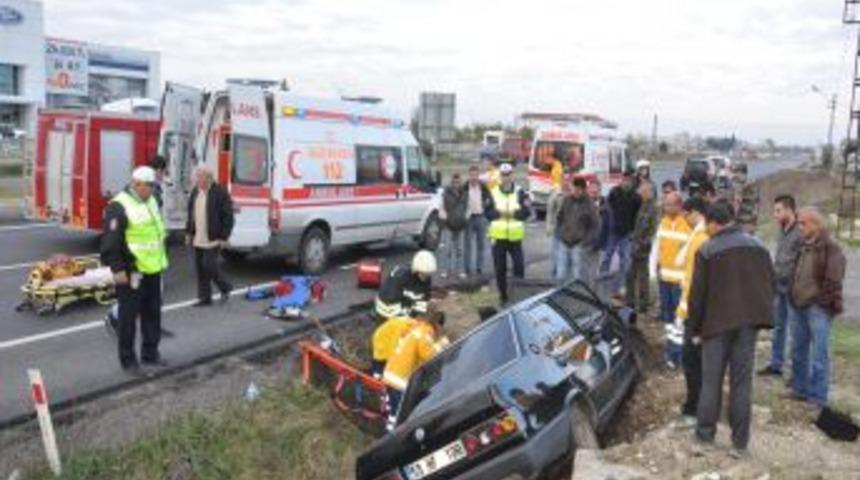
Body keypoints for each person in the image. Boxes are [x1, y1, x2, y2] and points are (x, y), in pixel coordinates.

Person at [688, 202, 774, 457]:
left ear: (715, 223)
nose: (706, 231)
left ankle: (705, 436)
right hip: (747, 324)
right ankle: (740, 444)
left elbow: (697, 295)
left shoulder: (707, 250)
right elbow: (770, 282)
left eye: (707, 226)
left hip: (715, 326)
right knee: (742, 383)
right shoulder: (758, 247)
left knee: (711, 382)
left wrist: (694, 329)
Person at [100, 166, 170, 374]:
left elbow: (156, 232)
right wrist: (118, 268)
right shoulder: (119, 206)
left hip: (153, 268)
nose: (153, 190)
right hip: (133, 271)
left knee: (153, 313)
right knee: (128, 318)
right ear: (137, 184)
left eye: (154, 186)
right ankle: (128, 361)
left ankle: (150, 353)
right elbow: (111, 241)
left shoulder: (152, 200)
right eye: (149, 186)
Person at [787, 207, 846, 407]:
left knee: (819, 355)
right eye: (799, 223)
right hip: (798, 306)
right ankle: (799, 389)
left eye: (803, 223)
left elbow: (834, 280)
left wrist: (820, 303)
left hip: (817, 309)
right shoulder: (803, 245)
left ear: (815, 223)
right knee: (798, 350)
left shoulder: (831, 247)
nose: (800, 227)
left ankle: (817, 397)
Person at [670, 196, 709, 425]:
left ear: (694, 212)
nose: (684, 219)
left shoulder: (701, 238)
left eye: (686, 215)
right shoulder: (698, 235)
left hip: (695, 313)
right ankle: (695, 405)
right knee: (694, 362)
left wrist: (684, 313)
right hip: (694, 310)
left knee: (693, 362)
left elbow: (695, 281)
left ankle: (695, 409)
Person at [758, 195, 804, 377]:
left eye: (778, 211)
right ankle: (776, 365)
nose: (775, 214)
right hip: (779, 287)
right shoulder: (782, 229)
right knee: (778, 327)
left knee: (795, 330)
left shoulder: (800, 232)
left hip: (793, 289)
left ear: (789, 210)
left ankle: (797, 373)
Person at [382, 306, 447, 430]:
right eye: (442, 328)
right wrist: (442, 344)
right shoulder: (424, 334)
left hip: (391, 375)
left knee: (394, 412)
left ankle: (388, 430)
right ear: (438, 325)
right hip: (399, 381)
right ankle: (394, 436)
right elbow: (429, 355)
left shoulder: (416, 329)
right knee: (400, 416)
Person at [648, 192, 690, 364]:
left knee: (680, 319)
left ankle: (678, 354)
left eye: (670, 205)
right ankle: (671, 350)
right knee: (668, 318)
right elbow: (656, 248)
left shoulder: (687, 225)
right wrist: (652, 273)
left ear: (679, 206)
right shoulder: (663, 223)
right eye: (665, 204)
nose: (666, 208)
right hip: (664, 280)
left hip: (680, 282)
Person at [186, 165, 234, 306]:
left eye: (199, 177)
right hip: (198, 237)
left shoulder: (220, 192)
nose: (197, 180)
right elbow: (191, 214)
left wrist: (224, 237)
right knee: (200, 268)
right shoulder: (195, 192)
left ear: (208, 178)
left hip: (213, 238)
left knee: (209, 265)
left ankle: (225, 286)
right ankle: (205, 298)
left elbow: (228, 217)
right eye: (196, 177)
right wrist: (188, 232)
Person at [487, 163, 531, 304]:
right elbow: (487, 213)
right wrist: (498, 214)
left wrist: (514, 214)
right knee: (500, 269)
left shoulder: (520, 192)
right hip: (498, 238)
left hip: (515, 238)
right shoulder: (493, 192)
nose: (506, 177)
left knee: (519, 267)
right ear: (500, 176)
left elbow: (527, 212)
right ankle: (503, 296)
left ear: (512, 175)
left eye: (508, 174)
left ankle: (518, 295)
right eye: (504, 175)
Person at [601, 170, 642, 295]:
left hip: (627, 234)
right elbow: (607, 209)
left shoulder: (636, 197)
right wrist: (609, 225)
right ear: (621, 180)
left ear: (632, 182)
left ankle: (622, 286)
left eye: (629, 180)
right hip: (613, 232)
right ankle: (602, 284)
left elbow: (638, 217)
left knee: (626, 261)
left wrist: (634, 232)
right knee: (606, 258)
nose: (626, 182)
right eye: (625, 180)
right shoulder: (614, 192)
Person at [554, 177, 600, 283]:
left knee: (577, 275)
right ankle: (559, 293)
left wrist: (585, 242)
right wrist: (559, 233)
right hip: (564, 242)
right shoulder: (567, 200)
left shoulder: (589, 204)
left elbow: (595, 226)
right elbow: (560, 217)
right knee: (560, 273)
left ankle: (576, 293)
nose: (574, 191)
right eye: (573, 188)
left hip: (578, 245)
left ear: (583, 190)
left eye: (577, 189)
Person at [375, 250, 436, 320]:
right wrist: (405, 319)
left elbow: (423, 299)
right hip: (387, 309)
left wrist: (415, 316)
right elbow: (389, 301)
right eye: (423, 274)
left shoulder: (427, 280)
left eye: (428, 275)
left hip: (403, 305)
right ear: (416, 270)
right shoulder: (401, 276)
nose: (425, 278)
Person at [626, 181, 658, 312]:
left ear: (648, 192)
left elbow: (654, 231)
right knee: (630, 276)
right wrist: (633, 237)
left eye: (642, 192)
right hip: (636, 247)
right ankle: (630, 303)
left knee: (643, 278)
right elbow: (638, 226)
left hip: (644, 250)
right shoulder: (643, 206)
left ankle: (643, 305)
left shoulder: (654, 208)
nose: (640, 195)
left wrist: (643, 244)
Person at [463, 165, 494, 277]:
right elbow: (459, 202)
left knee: (481, 244)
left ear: (478, 176)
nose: (474, 178)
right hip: (469, 218)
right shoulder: (464, 187)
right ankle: (467, 268)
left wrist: (487, 207)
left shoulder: (483, 186)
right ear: (469, 176)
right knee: (467, 244)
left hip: (480, 217)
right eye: (472, 175)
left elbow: (491, 200)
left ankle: (479, 268)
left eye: (476, 175)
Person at [440, 172, 468, 279]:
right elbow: (442, 208)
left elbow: (468, 207)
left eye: (458, 182)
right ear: (451, 182)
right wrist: (445, 219)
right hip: (449, 225)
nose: (456, 184)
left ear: (460, 182)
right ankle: (445, 270)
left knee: (460, 250)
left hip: (461, 225)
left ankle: (460, 271)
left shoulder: (465, 194)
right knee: (447, 249)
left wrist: (465, 218)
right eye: (454, 182)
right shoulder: (445, 194)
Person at [585, 178, 607, 283]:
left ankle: (591, 290)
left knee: (593, 272)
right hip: (583, 243)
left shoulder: (606, 204)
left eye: (596, 191)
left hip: (598, 244)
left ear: (600, 191)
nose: (593, 193)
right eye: (591, 191)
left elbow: (609, 223)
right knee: (581, 271)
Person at [546, 181, 568, 278]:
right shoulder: (556, 194)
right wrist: (549, 226)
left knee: (566, 261)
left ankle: (562, 280)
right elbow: (550, 211)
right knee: (556, 259)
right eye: (565, 179)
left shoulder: (575, 194)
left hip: (570, 233)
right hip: (557, 231)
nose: (567, 182)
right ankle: (554, 279)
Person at [729, 162, 759, 235]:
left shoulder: (739, 182)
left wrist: (731, 219)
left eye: (735, 172)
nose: (734, 174)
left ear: (739, 172)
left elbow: (737, 202)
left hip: (741, 221)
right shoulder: (752, 183)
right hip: (751, 221)